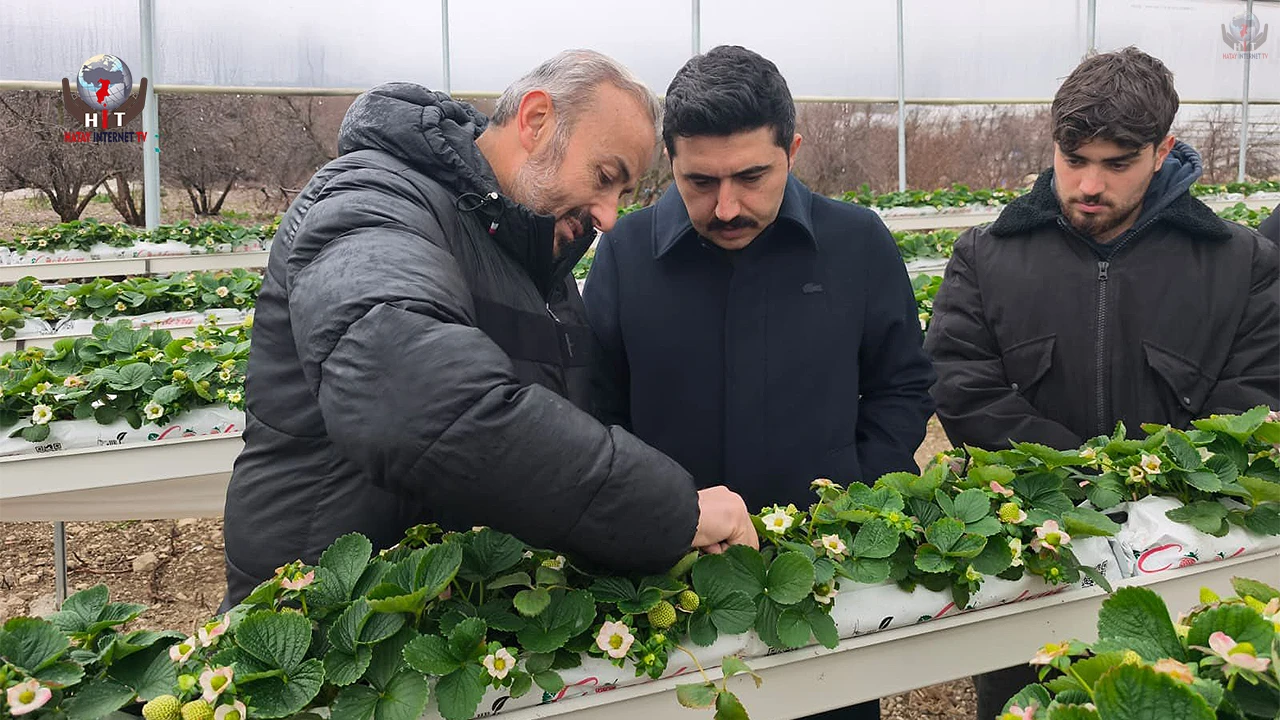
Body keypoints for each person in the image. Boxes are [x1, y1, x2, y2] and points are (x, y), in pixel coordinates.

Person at [220, 50, 758, 607]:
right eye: (604, 177)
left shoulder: (531, 253)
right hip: (326, 612)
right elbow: (417, 404)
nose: (609, 216)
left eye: (622, 194)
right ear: (535, 120)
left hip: (446, 611)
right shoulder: (370, 201)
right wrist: (670, 510)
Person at [923, 47, 1279, 719]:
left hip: (1185, 555)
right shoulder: (987, 254)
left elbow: (1259, 391)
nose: (1089, 185)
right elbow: (960, 381)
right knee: (1026, 702)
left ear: (1162, 149)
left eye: (1117, 164)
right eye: (1073, 158)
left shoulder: (1240, 262)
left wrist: (1158, 486)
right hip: (1029, 555)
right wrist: (1080, 475)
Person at [583, 45, 936, 720]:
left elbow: (902, 384)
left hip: (826, 579)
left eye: (751, 176)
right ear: (670, 161)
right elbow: (597, 412)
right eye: (699, 182)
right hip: (670, 587)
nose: (725, 207)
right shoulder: (625, 258)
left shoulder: (857, 244)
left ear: (792, 149)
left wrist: (852, 493)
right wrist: (652, 513)